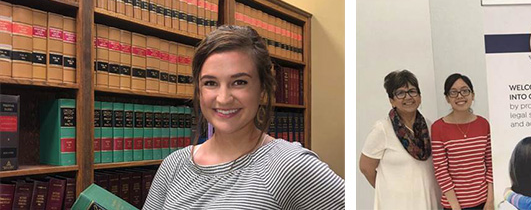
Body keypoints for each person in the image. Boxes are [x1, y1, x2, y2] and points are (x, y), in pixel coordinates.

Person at [142, 26, 344, 209]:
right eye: (211, 83)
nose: (223, 98)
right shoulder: (173, 165)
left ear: (263, 89)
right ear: (199, 90)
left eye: (239, 82)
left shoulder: (289, 165)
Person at [359, 69, 441, 210]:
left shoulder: (429, 126)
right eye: (400, 93)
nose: (408, 97)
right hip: (397, 204)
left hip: (428, 200)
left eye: (412, 91)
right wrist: (389, 190)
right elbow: (366, 167)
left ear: (420, 97)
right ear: (392, 100)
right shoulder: (383, 129)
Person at [431, 73, 494, 210]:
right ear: (447, 98)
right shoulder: (438, 128)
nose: (460, 96)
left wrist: (490, 201)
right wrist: (455, 206)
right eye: (453, 92)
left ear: (473, 95)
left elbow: (490, 164)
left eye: (465, 91)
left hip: (483, 203)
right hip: (453, 205)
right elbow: (441, 170)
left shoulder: (483, 124)